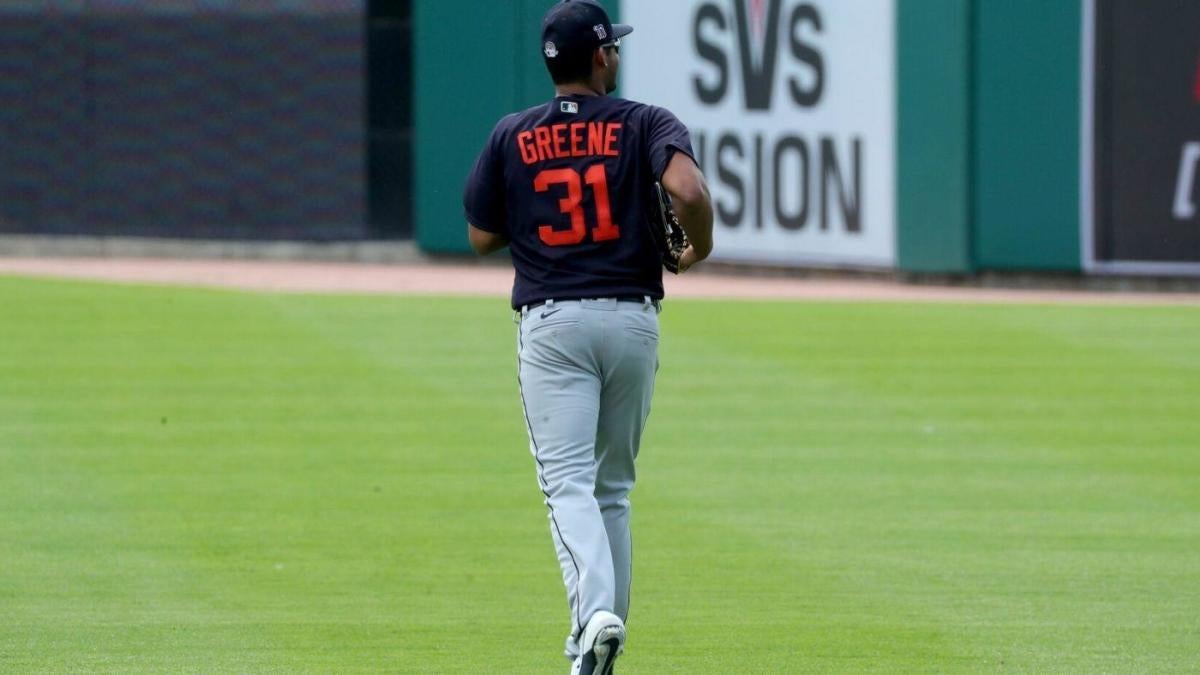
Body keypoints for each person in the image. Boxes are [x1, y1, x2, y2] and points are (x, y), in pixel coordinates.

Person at [462, 1, 713, 672]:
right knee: (613, 488)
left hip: (554, 322)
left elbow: (481, 236)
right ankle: (592, 648)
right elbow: (686, 187)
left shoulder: (512, 133)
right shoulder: (644, 121)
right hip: (633, 319)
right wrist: (699, 248)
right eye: (615, 48)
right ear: (600, 56)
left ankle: (595, 616)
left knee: (566, 482)